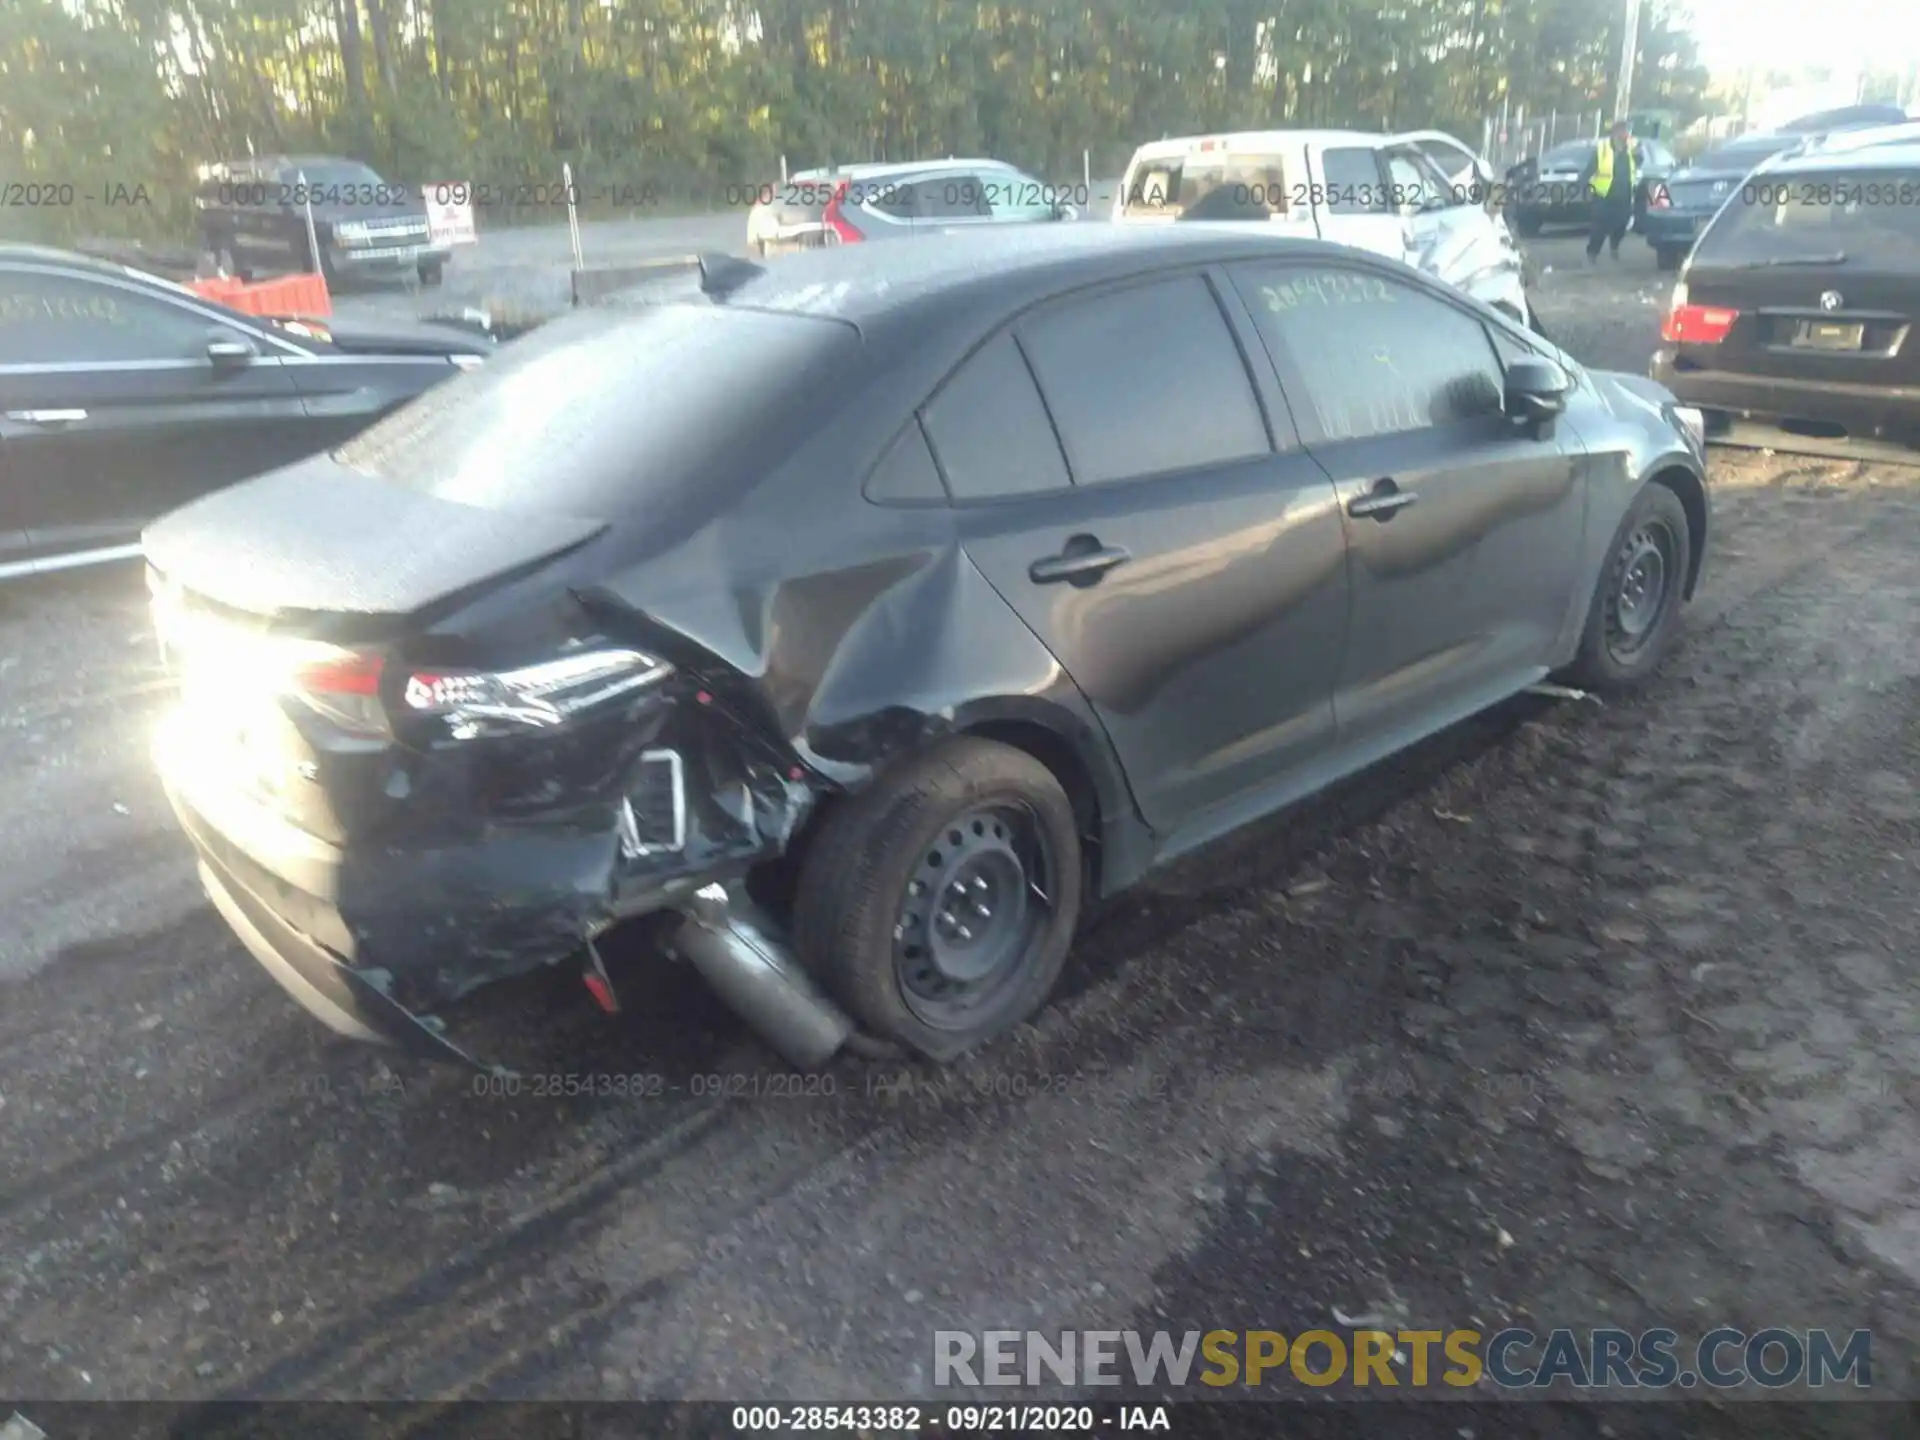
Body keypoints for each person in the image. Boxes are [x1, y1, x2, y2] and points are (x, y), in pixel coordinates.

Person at [1579, 119, 1640, 264]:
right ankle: (1592, 253)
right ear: (1615, 133)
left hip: (1624, 195)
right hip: (1604, 195)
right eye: (1623, 132)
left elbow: (1639, 161)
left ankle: (1614, 246)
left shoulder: (1632, 148)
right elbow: (1590, 168)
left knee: (1622, 223)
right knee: (1599, 228)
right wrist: (1582, 184)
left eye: (1627, 132)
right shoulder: (1603, 148)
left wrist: (1637, 152)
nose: (1626, 135)